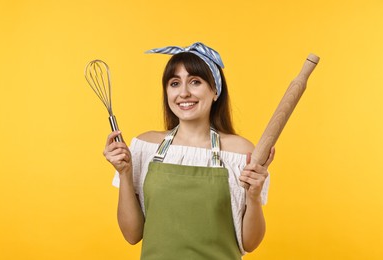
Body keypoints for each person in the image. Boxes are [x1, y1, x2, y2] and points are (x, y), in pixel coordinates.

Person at [103, 42, 275, 260]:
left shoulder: (241, 153)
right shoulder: (144, 147)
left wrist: (254, 196)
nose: (184, 93)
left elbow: (250, 243)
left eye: (195, 82)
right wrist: (124, 173)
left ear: (215, 91)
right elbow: (132, 234)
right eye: (175, 83)